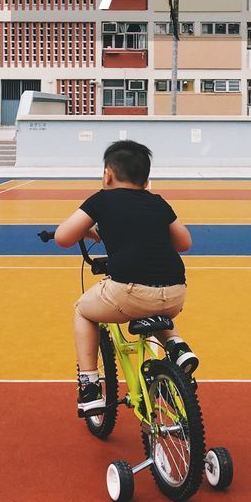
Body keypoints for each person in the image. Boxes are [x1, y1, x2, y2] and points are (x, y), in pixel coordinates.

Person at [53, 139, 198, 417]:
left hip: (129, 293)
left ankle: (90, 385)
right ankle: (177, 346)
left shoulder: (101, 200)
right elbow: (184, 243)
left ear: (107, 173)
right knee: (153, 303)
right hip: (176, 293)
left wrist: (89, 231)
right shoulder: (157, 203)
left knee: (83, 311)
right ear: (146, 180)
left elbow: (63, 237)